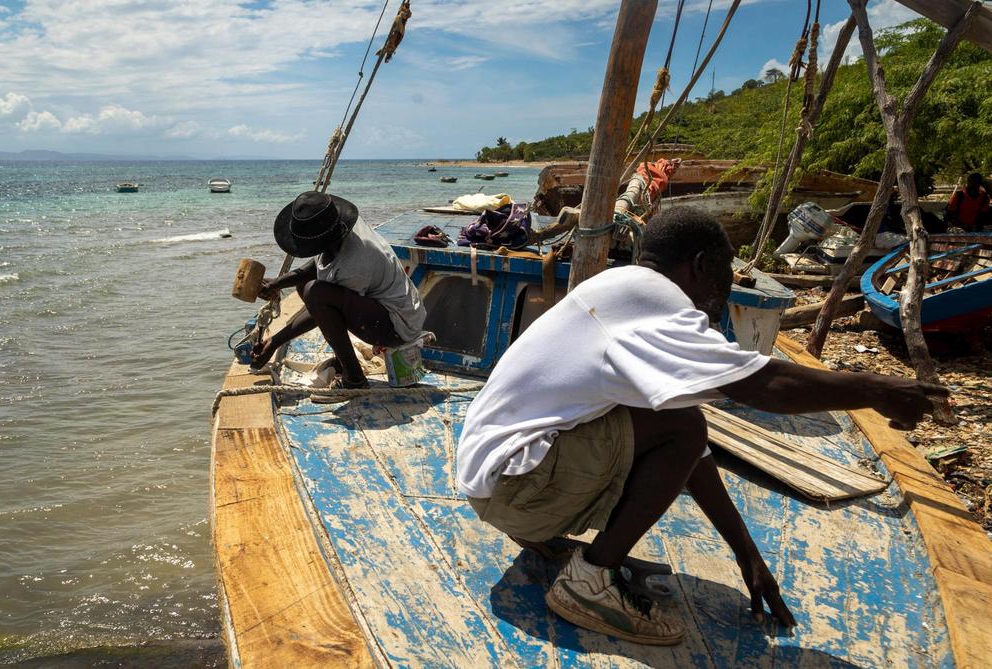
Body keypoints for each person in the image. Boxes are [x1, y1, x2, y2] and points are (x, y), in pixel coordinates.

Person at [455, 207, 947, 646]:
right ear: (701, 265)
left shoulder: (618, 290)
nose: (730, 282)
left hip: (496, 488)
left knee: (681, 426)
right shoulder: (654, 299)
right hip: (516, 490)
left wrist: (745, 553)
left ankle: (564, 542)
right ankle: (589, 584)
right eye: (728, 268)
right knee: (684, 425)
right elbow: (762, 386)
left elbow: (693, 454)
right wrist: (875, 389)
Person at [251, 191, 426, 389]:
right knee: (305, 285)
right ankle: (343, 362)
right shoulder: (339, 228)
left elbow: (318, 308)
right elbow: (317, 266)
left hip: (398, 326)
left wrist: (274, 342)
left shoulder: (355, 263)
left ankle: (354, 378)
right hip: (382, 308)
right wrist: (277, 283)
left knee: (315, 293)